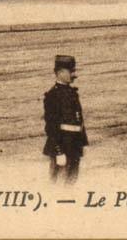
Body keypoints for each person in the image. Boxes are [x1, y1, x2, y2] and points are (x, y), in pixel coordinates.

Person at [43, 55, 88, 184]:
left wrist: (83, 143)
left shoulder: (72, 93)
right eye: (71, 71)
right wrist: (58, 151)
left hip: (74, 146)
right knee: (58, 184)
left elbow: (79, 121)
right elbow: (51, 127)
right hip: (62, 147)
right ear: (60, 72)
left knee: (72, 182)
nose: (74, 75)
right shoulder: (53, 96)